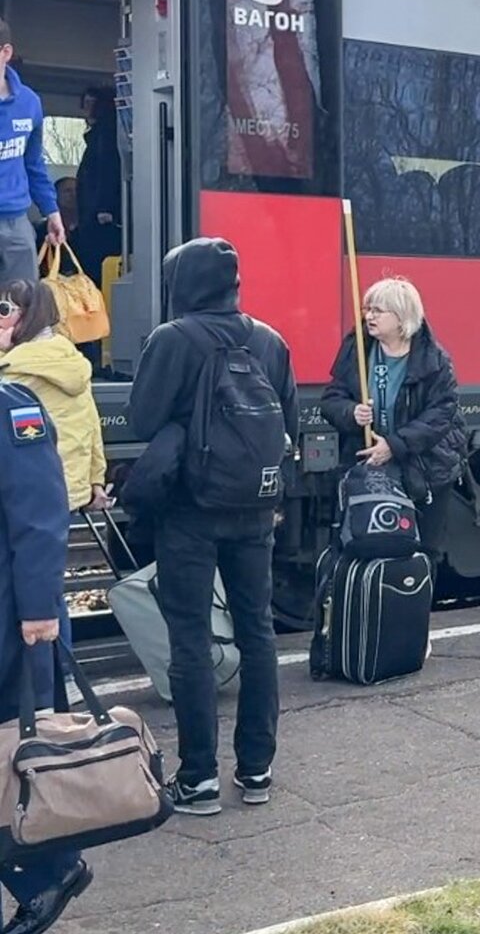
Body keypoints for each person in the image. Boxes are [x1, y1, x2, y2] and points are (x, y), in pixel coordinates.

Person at [128, 237, 297, 816]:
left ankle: (198, 778)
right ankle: (257, 771)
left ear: (184, 284)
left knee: (191, 640)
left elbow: (143, 418)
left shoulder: (173, 339)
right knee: (257, 634)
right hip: (254, 513)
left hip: (189, 513)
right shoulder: (271, 341)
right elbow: (289, 425)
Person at [0, 377, 91, 933]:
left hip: (10, 624)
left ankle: (48, 872)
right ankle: (46, 872)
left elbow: (40, 514)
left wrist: (38, 608)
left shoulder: (13, 410)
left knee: (15, 759)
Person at [0, 279, 110, 672]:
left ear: (27, 318)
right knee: (49, 586)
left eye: (4, 310)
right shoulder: (71, 361)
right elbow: (91, 423)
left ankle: (48, 680)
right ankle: (59, 675)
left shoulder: (15, 374)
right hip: (62, 487)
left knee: (30, 589)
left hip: (28, 495)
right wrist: (95, 478)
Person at [321, 276, 466, 565]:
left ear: (402, 317)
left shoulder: (435, 360)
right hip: (367, 466)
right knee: (360, 543)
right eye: (367, 309)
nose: (368, 316)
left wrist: (394, 445)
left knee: (424, 551)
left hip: (424, 470)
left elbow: (441, 414)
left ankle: (415, 607)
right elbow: (331, 399)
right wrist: (351, 412)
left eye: (377, 310)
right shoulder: (357, 349)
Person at [0, 20, 64, 285]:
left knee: (25, 306)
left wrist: (52, 211)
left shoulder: (29, 103)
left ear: (5, 53)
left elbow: (34, 164)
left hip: (16, 222)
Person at [73, 87, 121, 288]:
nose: (87, 110)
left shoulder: (106, 134)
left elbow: (107, 169)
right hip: (93, 212)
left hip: (99, 215)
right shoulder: (98, 135)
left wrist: (104, 207)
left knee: (95, 265)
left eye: (91, 104)